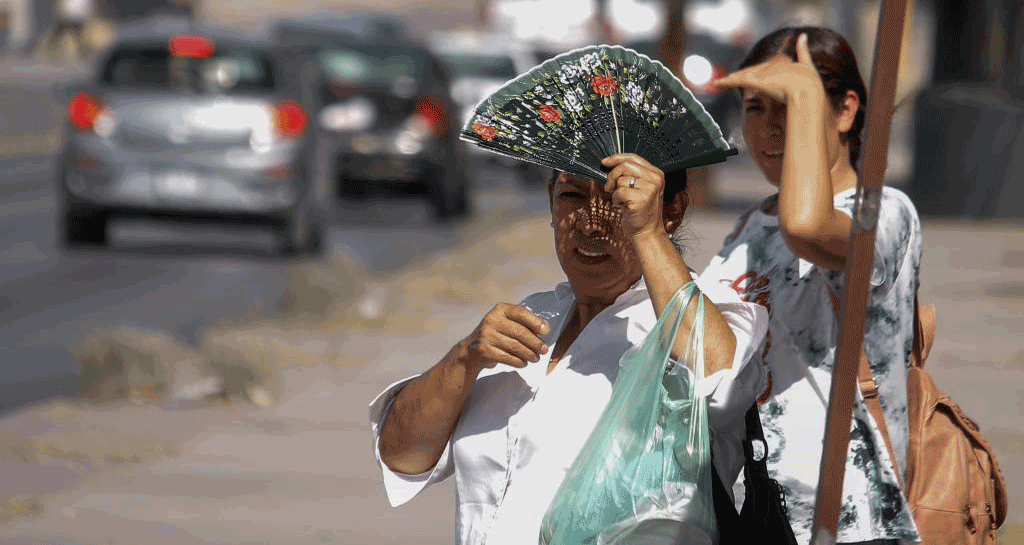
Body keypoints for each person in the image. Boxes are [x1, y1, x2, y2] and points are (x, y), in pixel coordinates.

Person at [368, 153, 770, 545]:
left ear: (672, 209)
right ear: (549, 198)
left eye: (618, 202)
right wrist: (465, 357)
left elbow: (725, 376)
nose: (592, 224)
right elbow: (401, 455)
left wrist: (648, 233)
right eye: (573, 196)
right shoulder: (526, 320)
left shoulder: (695, 322)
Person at [705, 27, 923, 544]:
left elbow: (806, 226)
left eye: (788, 105)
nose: (770, 127)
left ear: (846, 111)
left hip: (844, 517)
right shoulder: (751, 223)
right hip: (754, 510)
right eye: (755, 108)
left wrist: (803, 90)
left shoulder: (883, 211)